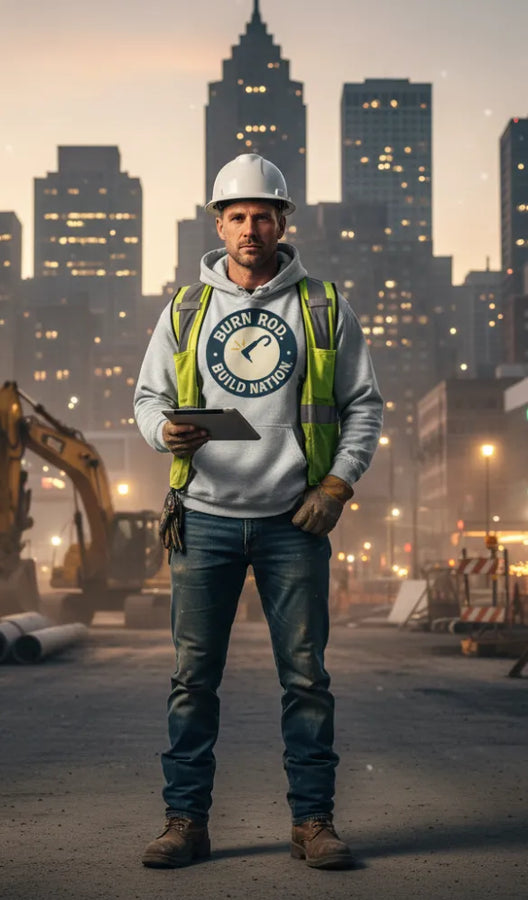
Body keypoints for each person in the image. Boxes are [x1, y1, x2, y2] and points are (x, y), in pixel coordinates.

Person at [134, 153, 383, 870]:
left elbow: (363, 406)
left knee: (306, 680)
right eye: (238, 216)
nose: (251, 228)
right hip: (203, 517)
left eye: (263, 215)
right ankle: (185, 822)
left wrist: (335, 488)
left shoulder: (323, 306)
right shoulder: (186, 309)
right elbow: (148, 399)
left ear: (282, 222)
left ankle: (313, 823)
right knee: (192, 682)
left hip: (291, 522)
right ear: (218, 224)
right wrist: (163, 432)